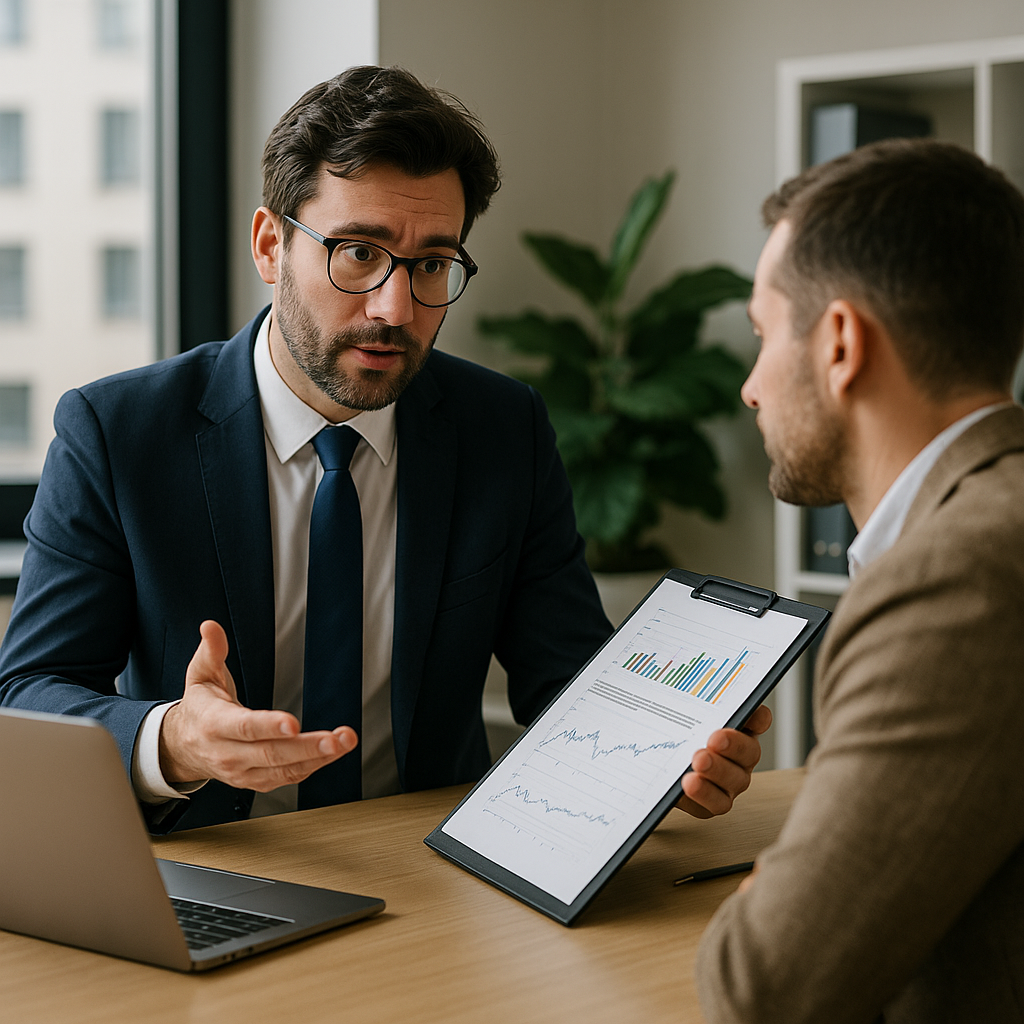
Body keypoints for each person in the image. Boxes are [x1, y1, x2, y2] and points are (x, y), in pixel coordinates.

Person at [0, 65, 767, 833]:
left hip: (427, 867)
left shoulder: (503, 428)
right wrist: (174, 740)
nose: (395, 308)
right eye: (358, 253)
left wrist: (666, 752)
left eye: (432, 264)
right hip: (210, 861)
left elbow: (563, 672)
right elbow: (29, 693)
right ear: (270, 247)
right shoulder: (117, 432)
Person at [695, 138, 1024, 1023]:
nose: (750, 388)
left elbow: (764, 989)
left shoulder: (957, 578)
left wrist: (776, 896)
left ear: (840, 343)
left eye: (764, 335)